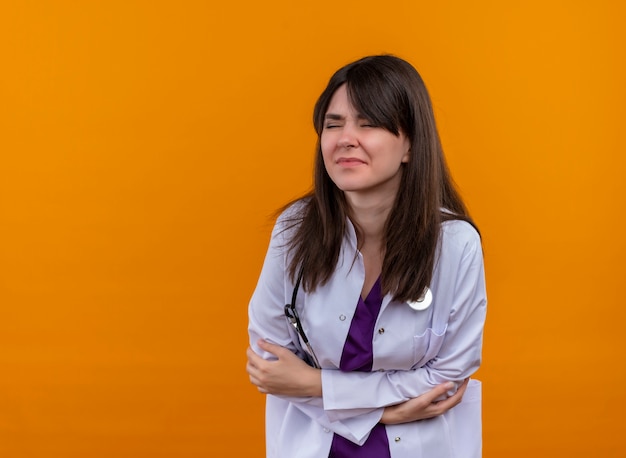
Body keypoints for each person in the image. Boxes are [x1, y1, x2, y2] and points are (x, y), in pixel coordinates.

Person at [246, 54, 487, 458]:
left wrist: (313, 384)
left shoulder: (457, 245)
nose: (345, 138)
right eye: (333, 124)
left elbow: (447, 377)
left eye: (368, 123)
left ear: (410, 143)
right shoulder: (293, 231)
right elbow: (270, 364)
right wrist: (387, 414)